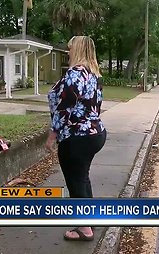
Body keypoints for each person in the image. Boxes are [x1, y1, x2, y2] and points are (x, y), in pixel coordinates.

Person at [45, 36, 106, 241]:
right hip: (94, 133)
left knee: (75, 181)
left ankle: (84, 228)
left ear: (78, 49)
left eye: (70, 48)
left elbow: (65, 108)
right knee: (82, 177)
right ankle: (90, 220)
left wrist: (53, 134)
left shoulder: (75, 73)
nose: (67, 52)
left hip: (77, 136)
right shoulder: (94, 74)